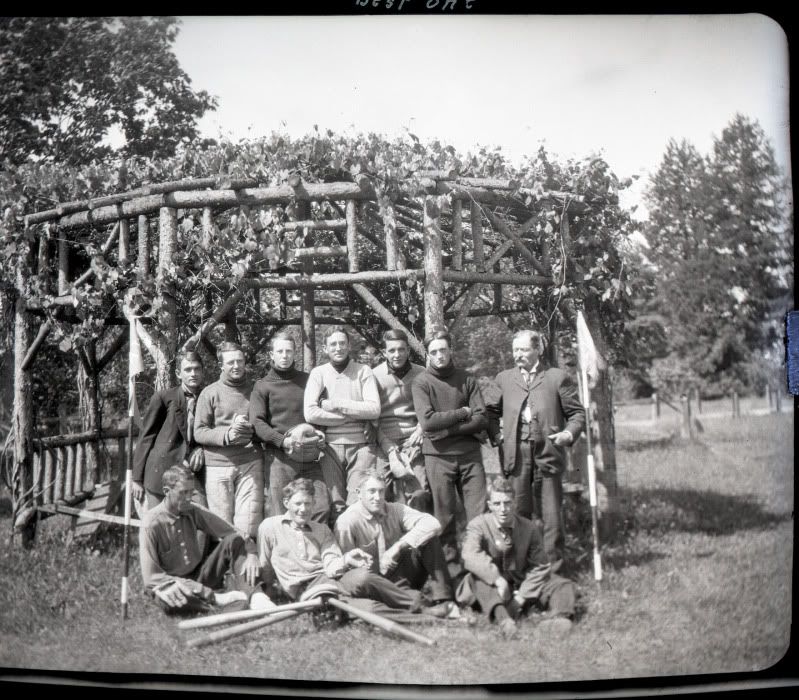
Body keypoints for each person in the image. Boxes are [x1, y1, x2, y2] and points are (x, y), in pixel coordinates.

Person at [257, 478, 449, 615]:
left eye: (308, 504)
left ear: (314, 504)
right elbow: (265, 565)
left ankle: (420, 605)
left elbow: (331, 564)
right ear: (286, 503)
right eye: (298, 504)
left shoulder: (321, 529)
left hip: (330, 578)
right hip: (306, 591)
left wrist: (347, 559)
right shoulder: (269, 527)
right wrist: (271, 593)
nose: (303, 509)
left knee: (364, 576)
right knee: (370, 609)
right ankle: (421, 615)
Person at [484, 329, 585, 570]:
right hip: (516, 456)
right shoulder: (504, 378)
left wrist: (568, 433)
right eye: (515, 350)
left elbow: (577, 413)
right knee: (517, 513)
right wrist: (498, 436)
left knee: (551, 518)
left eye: (523, 350)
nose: (518, 355)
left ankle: (553, 572)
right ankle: (520, 569)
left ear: (537, 349)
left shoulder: (557, 377)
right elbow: (488, 412)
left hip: (549, 452)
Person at [139, 465, 272, 614]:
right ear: (166, 492)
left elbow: (233, 532)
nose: (189, 497)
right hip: (173, 583)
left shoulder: (192, 509)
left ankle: (255, 596)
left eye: (191, 492)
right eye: (183, 492)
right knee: (168, 599)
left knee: (234, 541)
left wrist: (252, 552)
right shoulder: (150, 523)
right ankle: (218, 603)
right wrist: (207, 593)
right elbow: (151, 578)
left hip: (199, 574)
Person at [457, 477, 577, 638]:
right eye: (497, 504)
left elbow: (540, 565)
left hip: (520, 584)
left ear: (514, 504)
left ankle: (559, 619)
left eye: (507, 503)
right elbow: (470, 555)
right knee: (477, 578)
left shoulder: (528, 527)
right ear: (490, 505)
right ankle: (505, 622)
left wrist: (521, 597)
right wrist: (497, 579)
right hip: (490, 589)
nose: (503, 509)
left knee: (561, 584)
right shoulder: (478, 525)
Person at [411, 328, 488, 571]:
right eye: (434, 352)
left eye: (443, 349)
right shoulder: (422, 382)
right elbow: (428, 422)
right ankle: (453, 574)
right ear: (428, 355)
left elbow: (482, 419)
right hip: (438, 457)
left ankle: (480, 570)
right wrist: (463, 413)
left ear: (450, 350)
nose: (439, 355)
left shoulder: (466, 379)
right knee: (444, 519)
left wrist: (450, 430)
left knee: (478, 516)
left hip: (469, 455)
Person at [335, 470, 457, 617]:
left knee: (428, 537)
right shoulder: (347, 521)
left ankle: (443, 599)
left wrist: (396, 548)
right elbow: (344, 568)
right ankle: (414, 603)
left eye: (381, 491)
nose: (378, 497)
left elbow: (433, 523)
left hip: (398, 575)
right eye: (371, 492)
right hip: (374, 583)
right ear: (359, 493)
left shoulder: (395, 509)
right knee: (363, 579)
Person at [249, 332, 329, 523]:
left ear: (295, 353)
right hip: (279, 458)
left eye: (289, 351)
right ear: (272, 354)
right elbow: (257, 423)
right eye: (280, 351)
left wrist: (321, 432)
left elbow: (324, 409)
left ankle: (315, 551)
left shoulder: (309, 380)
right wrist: (282, 441)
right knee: (280, 511)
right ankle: (282, 552)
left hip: (310, 456)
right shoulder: (262, 386)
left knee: (321, 507)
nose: (284, 355)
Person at [304, 326, 380, 521]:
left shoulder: (364, 371)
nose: (338, 348)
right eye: (333, 344)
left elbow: (373, 409)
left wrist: (336, 404)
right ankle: (338, 550)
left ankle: (359, 550)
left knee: (357, 504)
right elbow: (310, 413)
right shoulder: (318, 373)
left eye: (342, 343)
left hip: (361, 446)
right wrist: (350, 416)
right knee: (336, 505)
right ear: (325, 348)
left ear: (349, 346)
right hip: (329, 447)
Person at [194, 341, 263, 538]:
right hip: (218, 466)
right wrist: (227, 435)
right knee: (221, 527)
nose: (236, 366)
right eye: (231, 362)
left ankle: (246, 566)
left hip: (250, 463)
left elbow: (265, 424)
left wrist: (249, 430)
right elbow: (199, 431)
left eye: (240, 361)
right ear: (221, 365)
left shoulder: (256, 390)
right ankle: (226, 567)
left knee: (249, 526)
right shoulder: (209, 393)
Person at [132, 350, 206, 510]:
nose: (193, 374)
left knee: (200, 526)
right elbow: (146, 437)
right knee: (160, 524)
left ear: (202, 371)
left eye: (197, 369)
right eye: (187, 370)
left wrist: (201, 448)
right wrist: (136, 479)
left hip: (192, 473)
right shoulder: (164, 398)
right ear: (179, 373)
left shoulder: (208, 397)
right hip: (161, 472)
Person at [371, 329, 429, 509]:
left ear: (408, 351)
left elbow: (429, 408)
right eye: (392, 350)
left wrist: (420, 430)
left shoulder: (422, 373)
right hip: (384, 440)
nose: (397, 355)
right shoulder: (374, 375)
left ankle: (418, 532)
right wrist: (389, 449)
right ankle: (387, 533)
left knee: (420, 491)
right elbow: (372, 418)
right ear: (384, 352)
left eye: (401, 350)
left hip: (414, 438)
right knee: (379, 489)